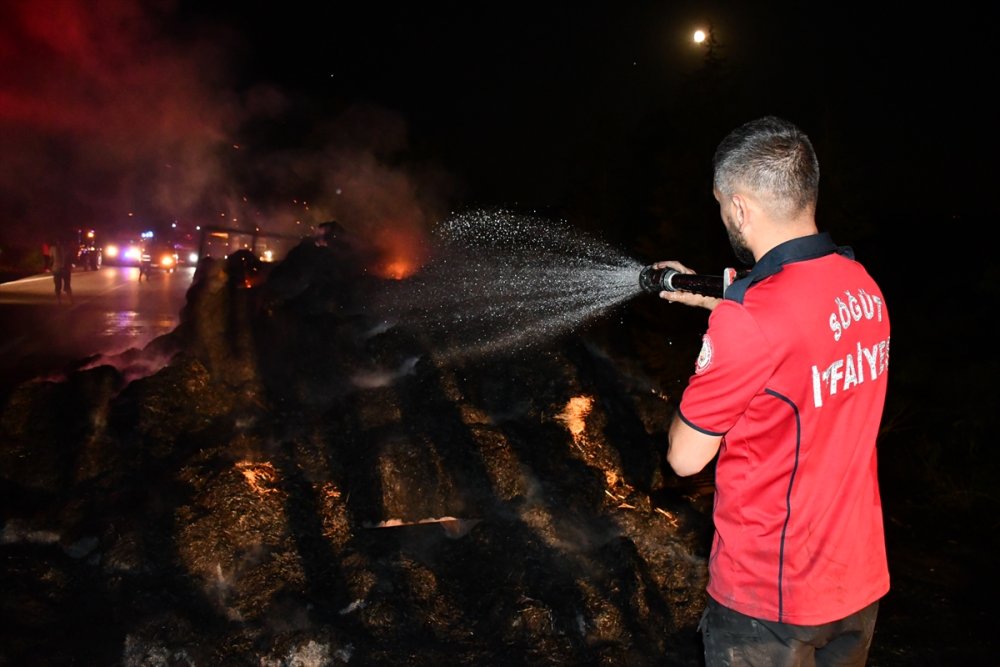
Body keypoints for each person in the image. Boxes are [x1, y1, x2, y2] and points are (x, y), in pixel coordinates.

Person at [656, 116, 890, 666]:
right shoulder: (863, 286)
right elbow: (794, 322)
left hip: (770, 597)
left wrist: (719, 335)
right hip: (855, 582)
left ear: (739, 207)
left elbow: (685, 459)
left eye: (720, 206)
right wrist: (706, 292)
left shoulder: (747, 321)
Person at [50, 237, 75, 303]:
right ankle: (70, 300)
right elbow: (70, 258)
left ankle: (59, 300)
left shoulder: (52, 248)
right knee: (67, 285)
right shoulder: (67, 248)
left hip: (56, 269)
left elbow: (51, 259)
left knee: (57, 286)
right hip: (65, 269)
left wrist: (51, 267)